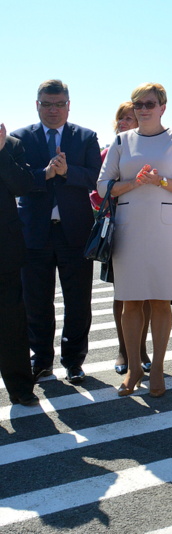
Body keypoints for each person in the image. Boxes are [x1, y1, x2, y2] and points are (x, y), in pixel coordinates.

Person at [98, 83, 172, 398]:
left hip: (166, 230)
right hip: (129, 228)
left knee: (160, 301)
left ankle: (157, 368)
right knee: (130, 301)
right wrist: (133, 183)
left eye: (149, 104)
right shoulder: (121, 141)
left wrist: (160, 181)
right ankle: (133, 368)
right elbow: (102, 186)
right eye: (138, 104)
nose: (143, 109)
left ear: (162, 107)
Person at [12, 80, 101, 385]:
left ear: (69, 105)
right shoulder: (20, 138)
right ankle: (41, 359)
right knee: (36, 301)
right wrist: (46, 174)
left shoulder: (85, 137)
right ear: (37, 105)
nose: (53, 110)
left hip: (74, 232)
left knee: (78, 301)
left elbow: (96, 178)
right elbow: (17, 181)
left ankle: (73, 361)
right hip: (33, 233)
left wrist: (67, 172)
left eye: (59, 104)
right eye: (47, 104)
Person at [96, 102, 153, 376]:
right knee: (123, 293)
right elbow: (97, 194)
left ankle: (141, 350)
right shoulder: (109, 152)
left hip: (150, 228)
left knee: (148, 294)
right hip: (119, 229)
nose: (123, 122)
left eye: (129, 118)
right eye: (121, 118)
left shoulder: (151, 152)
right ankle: (123, 350)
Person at [0, 123, 38, 406]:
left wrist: (1, 151)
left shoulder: (11, 146)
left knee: (12, 323)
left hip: (5, 249)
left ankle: (21, 387)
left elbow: (23, 185)